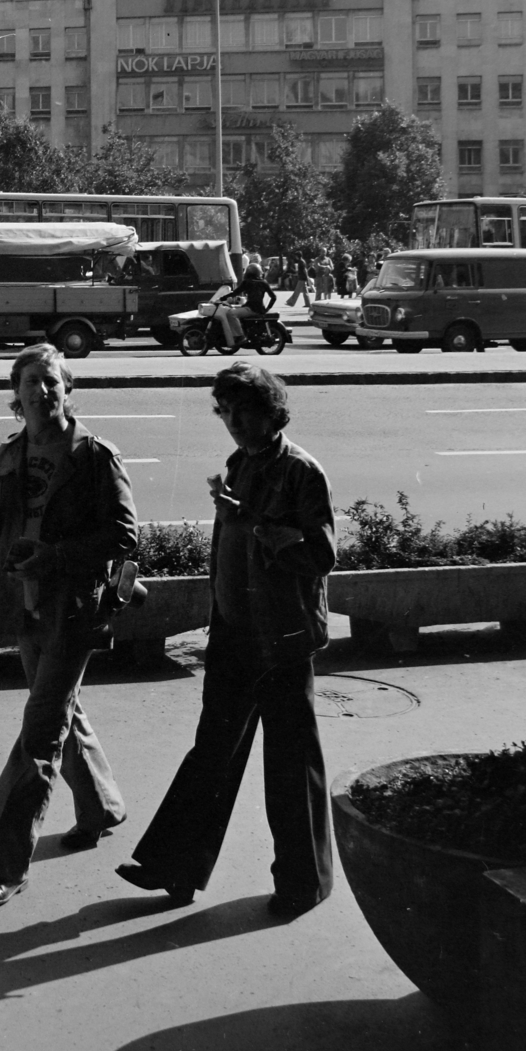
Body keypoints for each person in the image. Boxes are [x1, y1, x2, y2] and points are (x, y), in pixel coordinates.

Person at [115, 363, 336, 917]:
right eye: (226, 411)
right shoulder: (240, 464)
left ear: (271, 412)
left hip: (282, 639)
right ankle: (174, 867)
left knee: (289, 763)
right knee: (212, 750)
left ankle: (302, 884)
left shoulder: (302, 471)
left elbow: (321, 556)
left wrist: (259, 524)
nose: (234, 422)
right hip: (236, 632)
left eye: (244, 410)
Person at [0, 343, 137, 911]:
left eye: (52, 382)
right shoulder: (10, 454)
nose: (42, 392)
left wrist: (55, 558)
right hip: (23, 605)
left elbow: (124, 536)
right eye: (31, 383)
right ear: (17, 397)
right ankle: (102, 807)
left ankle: (5, 865)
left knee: (40, 732)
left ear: (68, 391)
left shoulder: (94, 456)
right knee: (62, 711)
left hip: (73, 608)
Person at [214, 263, 276, 350]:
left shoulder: (247, 282)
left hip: (251, 309)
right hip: (258, 309)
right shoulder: (263, 283)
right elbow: (274, 297)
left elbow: (235, 292)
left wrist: (222, 298)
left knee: (231, 313)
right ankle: (238, 333)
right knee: (232, 310)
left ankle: (241, 336)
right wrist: (267, 309)